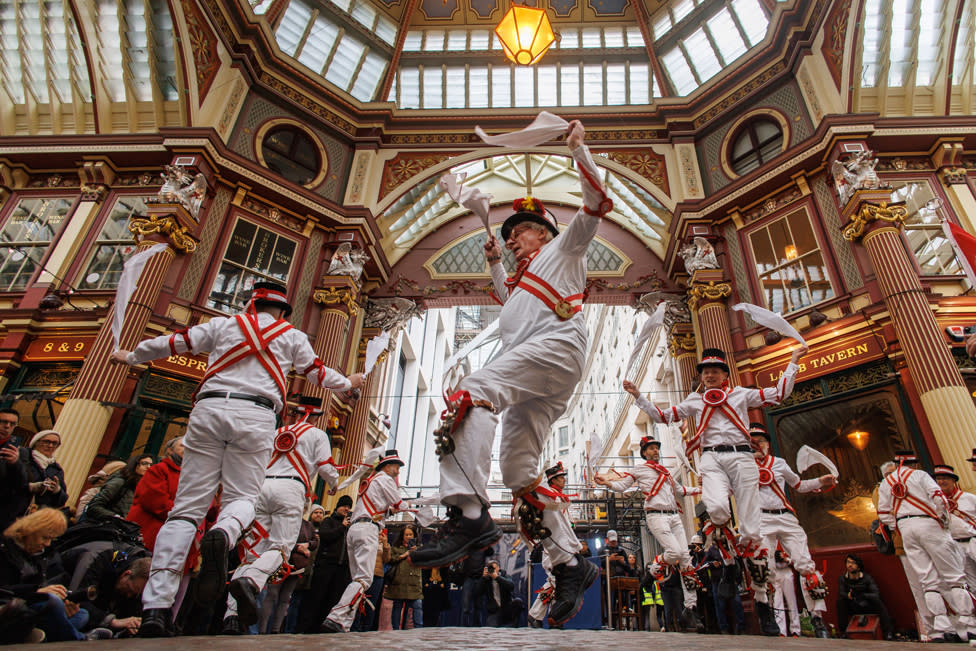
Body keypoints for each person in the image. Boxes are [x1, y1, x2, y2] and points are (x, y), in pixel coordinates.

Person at [410, 121, 612, 628]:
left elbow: (596, 204)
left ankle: (468, 513)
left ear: (543, 233)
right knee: (520, 473)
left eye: (519, 232)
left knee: (474, 390)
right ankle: (570, 563)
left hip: (557, 350)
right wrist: (497, 267)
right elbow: (512, 305)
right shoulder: (522, 285)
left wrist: (578, 149)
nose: (514, 240)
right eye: (509, 236)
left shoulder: (564, 251)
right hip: (541, 372)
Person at [110, 280, 363, 637]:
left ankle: (155, 610)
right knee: (242, 498)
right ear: (282, 312)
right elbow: (319, 374)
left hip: (208, 408)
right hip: (256, 414)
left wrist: (131, 356)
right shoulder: (292, 337)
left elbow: (173, 342)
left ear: (251, 305)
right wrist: (348, 381)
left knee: (185, 510)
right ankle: (225, 533)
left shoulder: (224, 324)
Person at [623, 345, 806, 633]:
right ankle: (730, 560)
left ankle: (761, 602)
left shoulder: (741, 395)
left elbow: (779, 394)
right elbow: (662, 415)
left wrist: (793, 361)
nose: (708, 375)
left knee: (752, 534)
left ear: (724, 375)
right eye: (704, 371)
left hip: (743, 457)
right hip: (710, 456)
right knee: (718, 508)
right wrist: (638, 396)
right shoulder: (695, 401)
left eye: (714, 371)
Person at [220, 396, 341, 634]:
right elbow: (326, 468)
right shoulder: (317, 435)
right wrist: (334, 483)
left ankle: (231, 617)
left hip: (262, 488)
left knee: (254, 550)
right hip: (291, 490)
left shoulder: (278, 432)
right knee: (281, 547)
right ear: (316, 416)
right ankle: (253, 581)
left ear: (295, 413)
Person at [596, 436, 703, 632]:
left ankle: (690, 608)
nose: (655, 451)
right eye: (651, 448)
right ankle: (653, 569)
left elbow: (680, 490)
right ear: (644, 452)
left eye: (656, 448)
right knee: (676, 553)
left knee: (686, 559)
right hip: (656, 515)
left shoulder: (666, 472)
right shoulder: (639, 469)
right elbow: (622, 486)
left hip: (674, 517)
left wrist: (700, 488)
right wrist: (607, 483)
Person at [877, 450, 976, 642]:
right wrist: (943, 522)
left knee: (927, 581)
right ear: (914, 464)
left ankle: (942, 628)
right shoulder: (920, 475)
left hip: (906, 529)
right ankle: (970, 625)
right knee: (954, 576)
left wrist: (897, 527)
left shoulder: (886, 483)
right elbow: (938, 498)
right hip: (929, 525)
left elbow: (883, 514)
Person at [749, 422, 834, 637]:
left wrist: (820, 481)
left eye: (760, 441)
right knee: (763, 570)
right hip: (761, 519)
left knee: (806, 565)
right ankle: (768, 616)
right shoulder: (741, 467)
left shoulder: (779, 463)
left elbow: (798, 485)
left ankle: (817, 618)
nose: (757, 445)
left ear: (767, 444)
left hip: (785, 516)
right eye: (752, 442)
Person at [323, 450, 406, 633]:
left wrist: (389, 511)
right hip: (368, 529)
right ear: (387, 465)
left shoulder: (371, 481)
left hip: (354, 529)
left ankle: (344, 624)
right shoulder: (384, 479)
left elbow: (384, 507)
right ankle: (336, 616)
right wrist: (417, 505)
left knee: (357, 579)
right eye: (396, 466)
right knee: (363, 580)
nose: (398, 471)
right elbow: (400, 504)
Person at [0, 508, 110, 641]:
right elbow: (5, 590)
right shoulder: (6, 549)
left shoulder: (41, 555)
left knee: (81, 614)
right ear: (31, 530)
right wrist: (38, 591)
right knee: (53, 603)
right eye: (45, 537)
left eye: (51, 539)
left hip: (33, 603)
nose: (47, 544)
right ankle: (80, 638)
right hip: (12, 605)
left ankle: (40, 632)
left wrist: (66, 602)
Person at [529, 461, 595, 625]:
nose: (564, 480)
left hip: (561, 546)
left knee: (558, 580)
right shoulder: (549, 494)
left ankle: (552, 617)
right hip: (552, 547)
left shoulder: (559, 497)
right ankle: (537, 615)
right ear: (552, 480)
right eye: (560, 478)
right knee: (555, 579)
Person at [296, 495, 352, 633]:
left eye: (349, 506)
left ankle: (323, 628)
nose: (347, 509)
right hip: (326, 565)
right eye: (344, 505)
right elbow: (326, 536)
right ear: (338, 506)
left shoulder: (349, 527)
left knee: (332, 599)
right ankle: (306, 628)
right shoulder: (329, 521)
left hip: (340, 569)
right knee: (316, 598)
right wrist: (341, 527)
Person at [74, 549, 151, 636]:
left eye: (135, 594)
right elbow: (78, 601)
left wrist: (132, 626)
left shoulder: (136, 585)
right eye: (129, 589)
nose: (129, 595)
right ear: (126, 574)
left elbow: (130, 615)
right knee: (83, 616)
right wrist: (112, 621)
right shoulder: (98, 562)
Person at [127, 437, 184, 552]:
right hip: (147, 535)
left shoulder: (189, 475)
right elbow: (157, 503)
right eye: (182, 445)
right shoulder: (158, 470)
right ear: (169, 451)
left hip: (171, 537)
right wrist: (184, 513)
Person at [932, 464, 976, 590]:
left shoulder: (969, 498)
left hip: (973, 540)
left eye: (945, 478)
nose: (941, 482)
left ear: (953, 480)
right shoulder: (936, 503)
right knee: (971, 582)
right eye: (938, 479)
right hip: (955, 545)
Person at [283, 503, 325, 634]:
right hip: (298, 568)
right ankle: (288, 629)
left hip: (312, 572)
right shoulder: (305, 528)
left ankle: (299, 628)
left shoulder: (321, 532)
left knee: (304, 603)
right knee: (291, 601)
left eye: (321, 513)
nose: (319, 515)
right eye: (316, 512)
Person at [836, 553, 893, 639]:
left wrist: (862, 595)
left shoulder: (867, 578)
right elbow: (841, 592)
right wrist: (849, 595)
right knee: (840, 601)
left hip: (867, 605)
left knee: (877, 601)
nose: (850, 565)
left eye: (853, 563)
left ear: (858, 567)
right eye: (848, 562)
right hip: (853, 605)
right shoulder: (842, 578)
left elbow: (876, 593)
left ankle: (888, 632)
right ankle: (843, 633)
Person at [84, 453, 153, 522]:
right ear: (134, 464)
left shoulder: (139, 485)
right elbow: (94, 506)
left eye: (150, 464)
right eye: (144, 463)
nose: (148, 467)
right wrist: (116, 517)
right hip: (106, 526)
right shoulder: (120, 482)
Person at [351, 527, 390, 632]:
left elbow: (387, 559)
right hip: (364, 574)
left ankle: (367, 628)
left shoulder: (383, 543)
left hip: (378, 575)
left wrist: (385, 545)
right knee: (359, 601)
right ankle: (355, 627)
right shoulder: (366, 540)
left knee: (371, 604)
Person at [705, 539, 746, 635]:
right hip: (717, 581)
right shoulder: (711, 549)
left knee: (737, 603)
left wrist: (738, 578)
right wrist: (712, 564)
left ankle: (741, 626)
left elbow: (738, 561)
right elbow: (705, 563)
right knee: (720, 606)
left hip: (730, 579)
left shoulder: (729, 546)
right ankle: (723, 628)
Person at [386, 524, 423, 630]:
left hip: (414, 582)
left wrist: (417, 553)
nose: (409, 537)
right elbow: (390, 559)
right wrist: (404, 555)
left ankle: (418, 628)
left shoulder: (420, 548)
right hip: (399, 580)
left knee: (417, 605)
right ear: (402, 535)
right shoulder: (396, 547)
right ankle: (395, 629)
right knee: (397, 606)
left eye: (411, 534)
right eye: (406, 534)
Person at [0, 408, 30, 531]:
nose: (7, 426)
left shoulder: (20, 452)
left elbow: (23, 483)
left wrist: (15, 463)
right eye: (3, 422)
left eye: (12, 424)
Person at [24, 430, 68, 514]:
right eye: (46, 442)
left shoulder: (57, 469)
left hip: (37, 514)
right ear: (36, 442)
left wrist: (57, 491)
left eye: (55, 443)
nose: (50, 446)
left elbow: (62, 501)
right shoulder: (23, 458)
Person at [770, 547, 800, 637]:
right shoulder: (769, 540)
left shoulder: (784, 541)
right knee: (777, 602)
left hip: (786, 571)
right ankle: (781, 630)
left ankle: (795, 629)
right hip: (775, 572)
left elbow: (795, 558)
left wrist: (786, 559)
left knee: (791, 601)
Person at [478, 560, 515, 627]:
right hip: (494, 611)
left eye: (494, 569)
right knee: (491, 627)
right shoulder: (487, 580)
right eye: (491, 569)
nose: (493, 571)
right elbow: (478, 592)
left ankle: (514, 623)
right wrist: (483, 578)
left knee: (518, 601)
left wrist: (497, 578)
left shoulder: (505, 576)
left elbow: (511, 586)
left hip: (506, 609)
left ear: (498, 568)